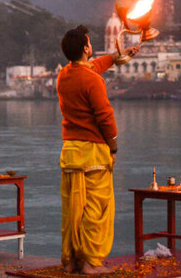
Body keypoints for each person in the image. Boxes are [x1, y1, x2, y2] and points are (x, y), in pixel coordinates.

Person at [56, 25, 139, 274]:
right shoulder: (93, 80)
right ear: (85, 48)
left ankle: (71, 260)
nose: (92, 47)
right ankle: (91, 262)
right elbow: (105, 117)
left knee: (73, 209)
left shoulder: (64, 75)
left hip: (70, 151)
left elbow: (93, 67)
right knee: (95, 208)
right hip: (92, 152)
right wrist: (113, 147)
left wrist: (117, 57)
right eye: (90, 43)